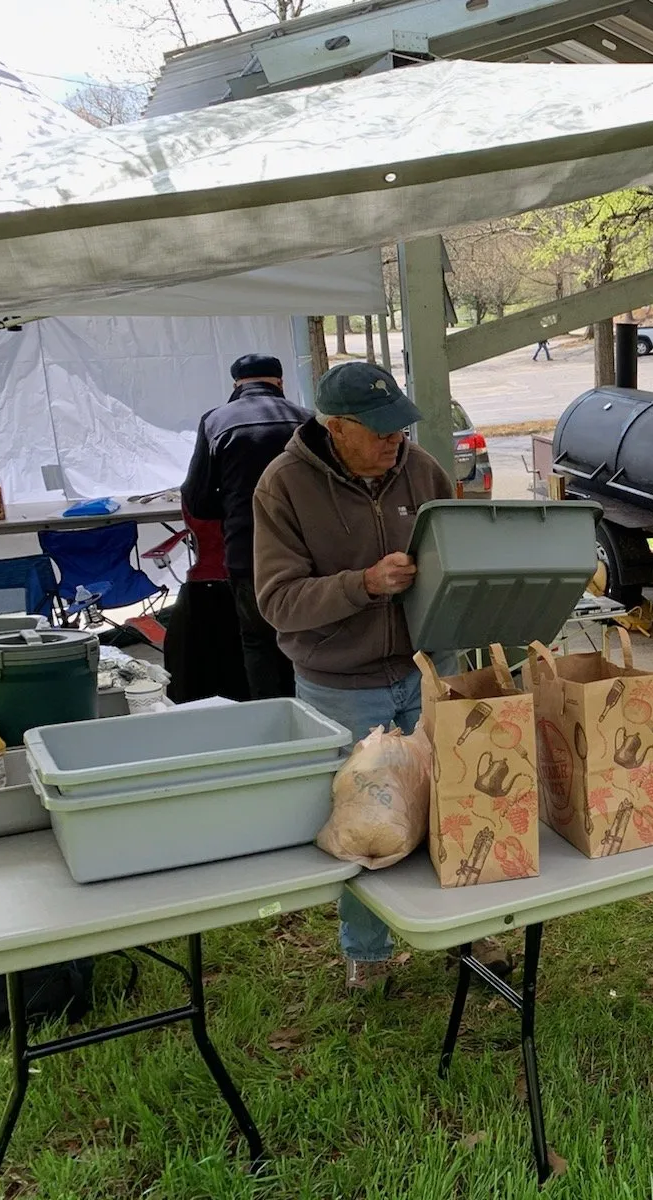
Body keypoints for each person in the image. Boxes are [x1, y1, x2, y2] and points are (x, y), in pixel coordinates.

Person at [252, 361, 455, 990]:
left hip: (429, 667)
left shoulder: (421, 470)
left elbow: (461, 548)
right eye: (379, 430)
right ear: (335, 428)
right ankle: (367, 956)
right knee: (364, 826)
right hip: (341, 683)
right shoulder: (283, 486)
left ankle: (465, 933)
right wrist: (362, 585)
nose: (395, 440)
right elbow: (278, 602)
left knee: (457, 803)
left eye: (399, 427)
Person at [180, 353, 310, 700]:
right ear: (280, 382)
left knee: (258, 642)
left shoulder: (216, 422)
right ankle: (315, 720)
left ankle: (271, 725)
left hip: (247, 551)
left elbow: (198, 501)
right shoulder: (309, 421)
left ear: (236, 384)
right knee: (308, 641)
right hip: (308, 553)